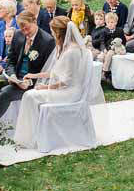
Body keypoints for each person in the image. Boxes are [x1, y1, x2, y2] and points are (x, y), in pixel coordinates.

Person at [14, 17, 94, 150]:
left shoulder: (72, 51)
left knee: (30, 96)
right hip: (64, 89)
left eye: (52, 31)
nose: (51, 33)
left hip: (71, 93)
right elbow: (55, 72)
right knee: (29, 95)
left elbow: (67, 81)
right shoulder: (64, 48)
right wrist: (34, 76)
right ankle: (30, 136)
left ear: (58, 32)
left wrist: (45, 87)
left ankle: (28, 138)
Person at [0, 11, 56, 118]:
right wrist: (12, 76)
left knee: (5, 93)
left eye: (27, 28)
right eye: (22, 29)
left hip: (31, 83)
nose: (25, 32)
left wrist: (28, 82)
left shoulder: (47, 41)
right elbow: (10, 61)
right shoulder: (17, 34)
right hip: (15, 76)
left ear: (34, 21)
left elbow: (46, 71)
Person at [93, 11, 125, 81]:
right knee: (101, 56)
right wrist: (103, 49)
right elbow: (102, 41)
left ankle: (105, 71)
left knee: (110, 54)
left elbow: (123, 40)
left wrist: (121, 48)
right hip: (107, 48)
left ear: (116, 22)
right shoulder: (104, 31)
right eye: (108, 22)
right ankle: (98, 73)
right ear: (106, 23)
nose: (110, 24)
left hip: (116, 49)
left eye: (112, 22)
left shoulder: (119, 30)